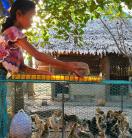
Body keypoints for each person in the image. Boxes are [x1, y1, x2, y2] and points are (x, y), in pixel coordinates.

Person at [0, 0, 87, 137]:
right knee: (1, 120)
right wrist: (68, 65)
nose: (32, 21)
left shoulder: (12, 37)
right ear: (19, 14)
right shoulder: (13, 32)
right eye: (31, 17)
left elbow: (22, 67)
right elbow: (37, 55)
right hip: (1, 79)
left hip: (2, 79)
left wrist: (41, 72)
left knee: (2, 117)